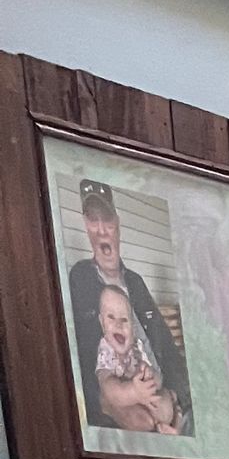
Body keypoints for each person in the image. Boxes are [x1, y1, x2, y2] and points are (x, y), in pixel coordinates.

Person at [67, 179, 192, 436]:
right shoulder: (79, 278)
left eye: (107, 220)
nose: (102, 230)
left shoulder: (135, 281)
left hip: (162, 396)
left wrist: (177, 401)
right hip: (118, 409)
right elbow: (76, 357)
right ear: (86, 226)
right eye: (93, 220)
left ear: (118, 225)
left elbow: (167, 347)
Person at [93, 284, 182, 434]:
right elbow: (107, 386)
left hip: (141, 396)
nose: (118, 324)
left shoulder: (137, 346)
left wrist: (149, 378)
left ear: (133, 327)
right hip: (120, 399)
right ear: (102, 323)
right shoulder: (105, 349)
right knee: (138, 420)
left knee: (165, 407)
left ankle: (170, 423)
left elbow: (157, 380)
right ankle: (159, 424)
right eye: (111, 317)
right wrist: (134, 392)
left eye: (124, 320)